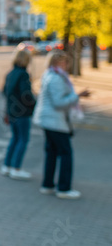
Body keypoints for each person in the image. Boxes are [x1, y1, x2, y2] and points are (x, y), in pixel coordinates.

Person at [33, 51, 90, 199]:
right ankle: (63, 188)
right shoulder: (56, 78)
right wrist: (76, 96)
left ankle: (48, 184)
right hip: (55, 121)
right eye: (64, 62)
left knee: (51, 152)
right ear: (57, 63)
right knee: (66, 154)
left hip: (49, 120)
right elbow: (59, 103)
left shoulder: (50, 74)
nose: (66, 65)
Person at [1, 49, 36, 180]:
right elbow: (26, 95)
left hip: (11, 111)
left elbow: (5, 92)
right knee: (23, 139)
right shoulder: (23, 75)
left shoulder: (10, 74)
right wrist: (34, 104)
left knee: (14, 138)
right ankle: (16, 168)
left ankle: (6, 166)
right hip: (22, 113)